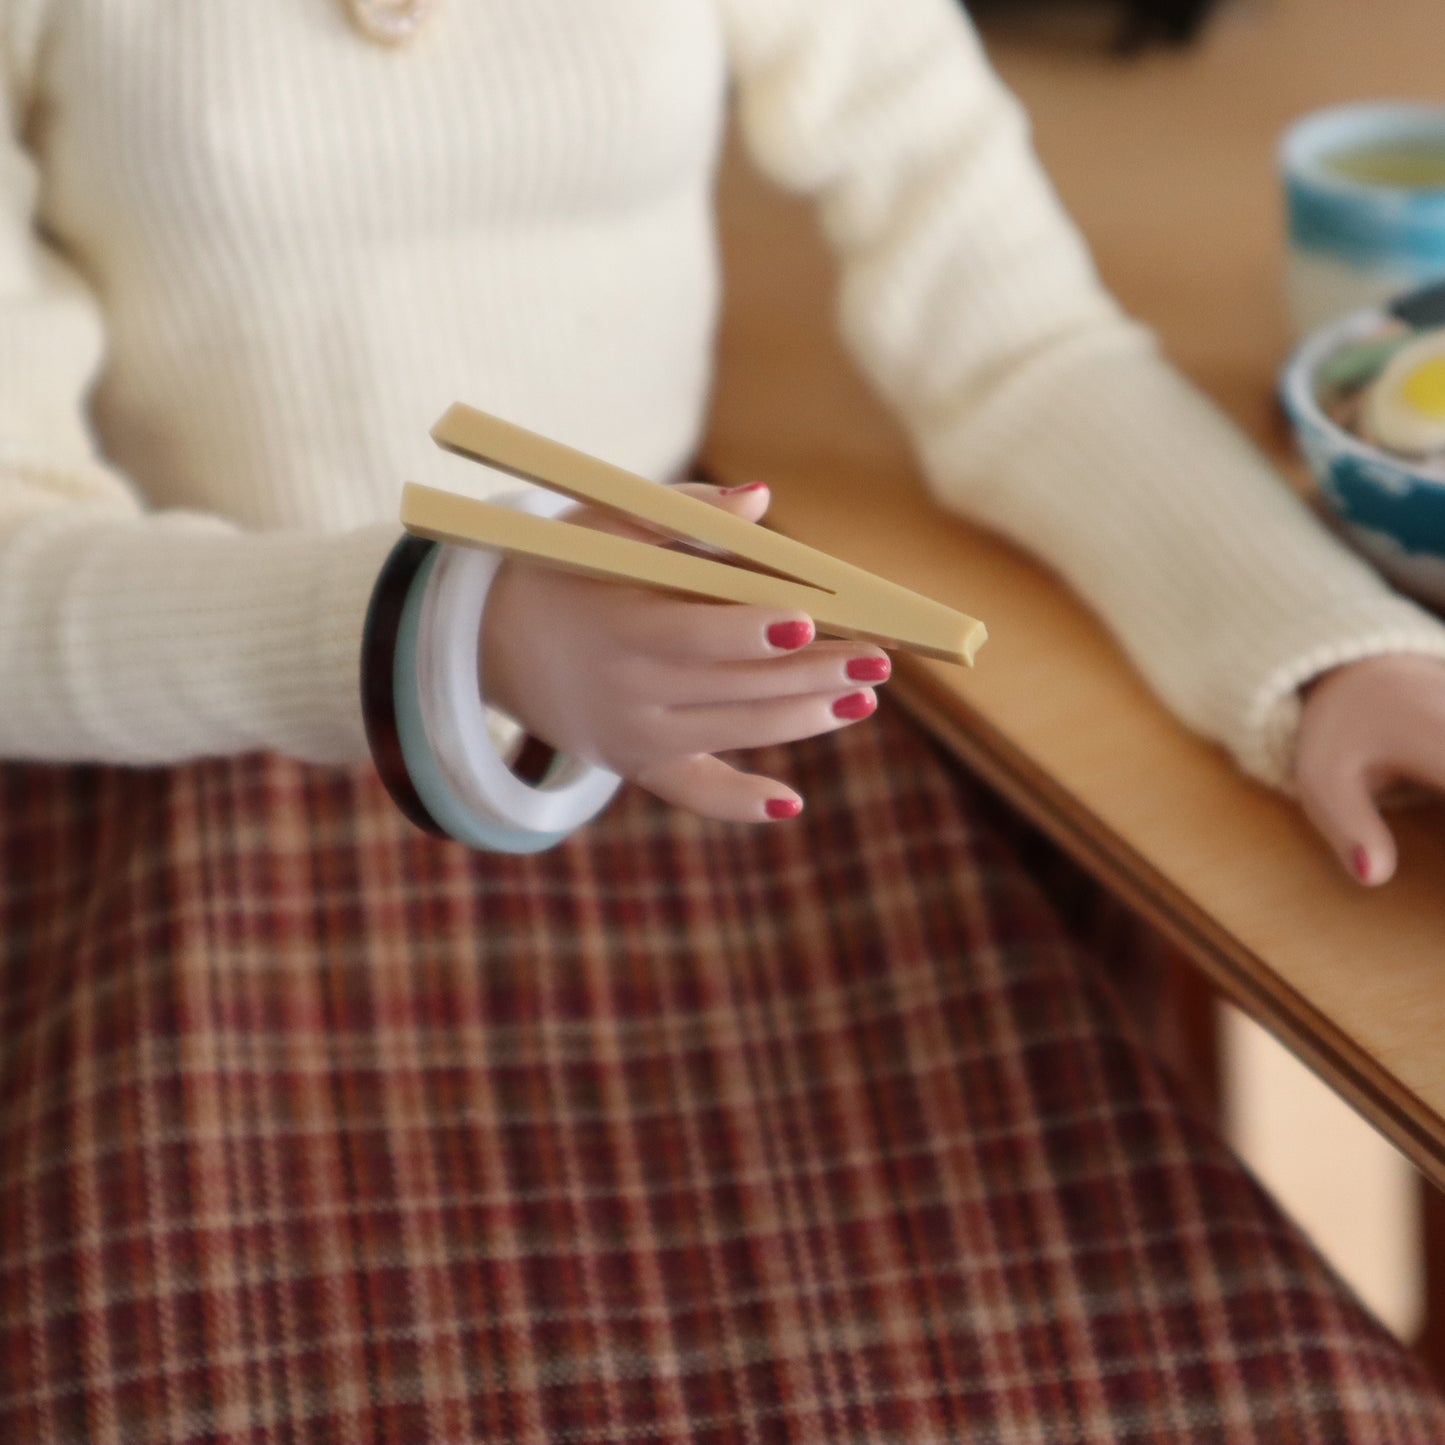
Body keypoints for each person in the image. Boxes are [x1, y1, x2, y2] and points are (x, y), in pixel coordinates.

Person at [3, 1, 1445, 1441]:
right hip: (191, 721)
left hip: (686, 695)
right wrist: (454, 620)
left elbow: (1014, 336)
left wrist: (1323, 645)